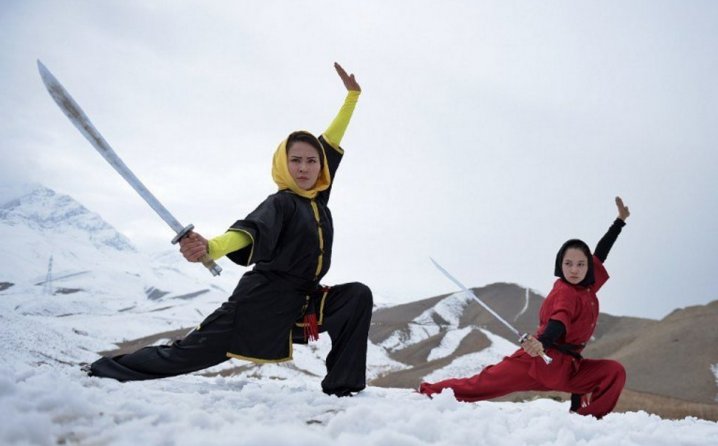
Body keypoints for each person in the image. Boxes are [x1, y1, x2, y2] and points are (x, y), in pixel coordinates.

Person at [87, 63, 373, 397]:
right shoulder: (280, 203)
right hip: (260, 303)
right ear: (284, 163)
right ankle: (106, 369)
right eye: (296, 160)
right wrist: (211, 248)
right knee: (184, 355)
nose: (305, 167)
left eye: (312, 161)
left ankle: (344, 388)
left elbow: (331, 140)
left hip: (302, 302)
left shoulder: (317, 198)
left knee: (356, 296)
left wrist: (352, 98)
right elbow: (249, 232)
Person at [419, 197, 631, 418]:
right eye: (568, 264)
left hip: (567, 369)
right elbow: (559, 320)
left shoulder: (587, 286)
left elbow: (601, 254)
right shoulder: (565, 292)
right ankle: (429, 392)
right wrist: (542, 343)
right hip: (538, 359)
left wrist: (620, 221)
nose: (574, 270)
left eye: (581, 264)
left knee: (613, 372)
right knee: (480, 385)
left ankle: (587, 420)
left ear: (588, 268)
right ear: (560, 264)